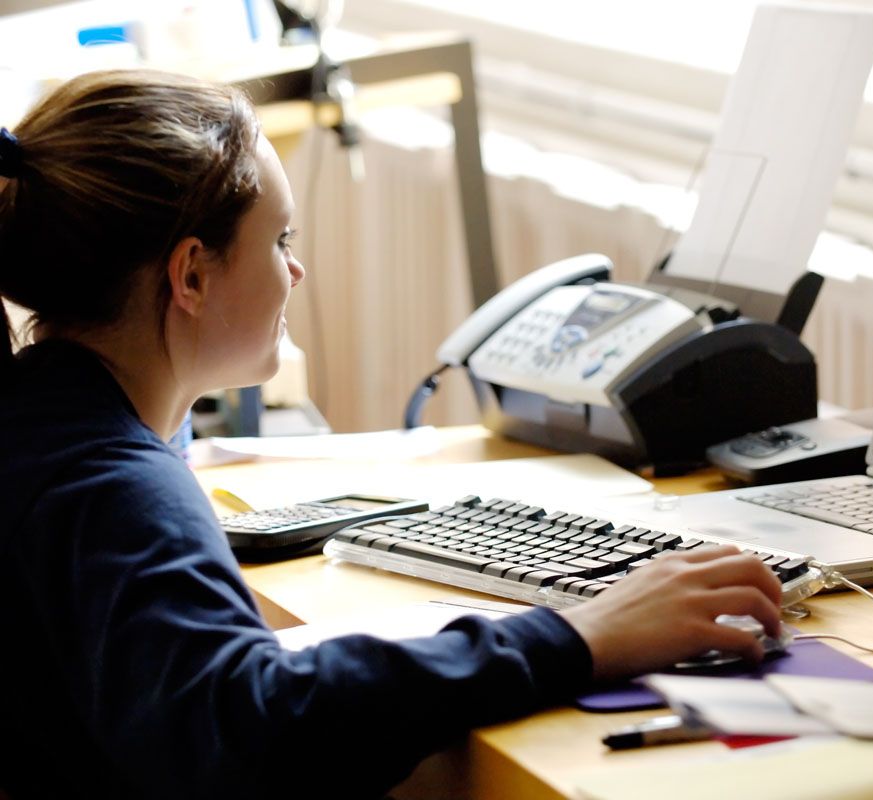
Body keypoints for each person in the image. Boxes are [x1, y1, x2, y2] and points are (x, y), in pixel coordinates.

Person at [0, 70, 783, 800]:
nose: (295, 274)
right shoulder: (113, 486)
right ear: (192, 275)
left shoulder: (44, 418)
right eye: (281, 242)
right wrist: (578, 635)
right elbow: (253, 727)